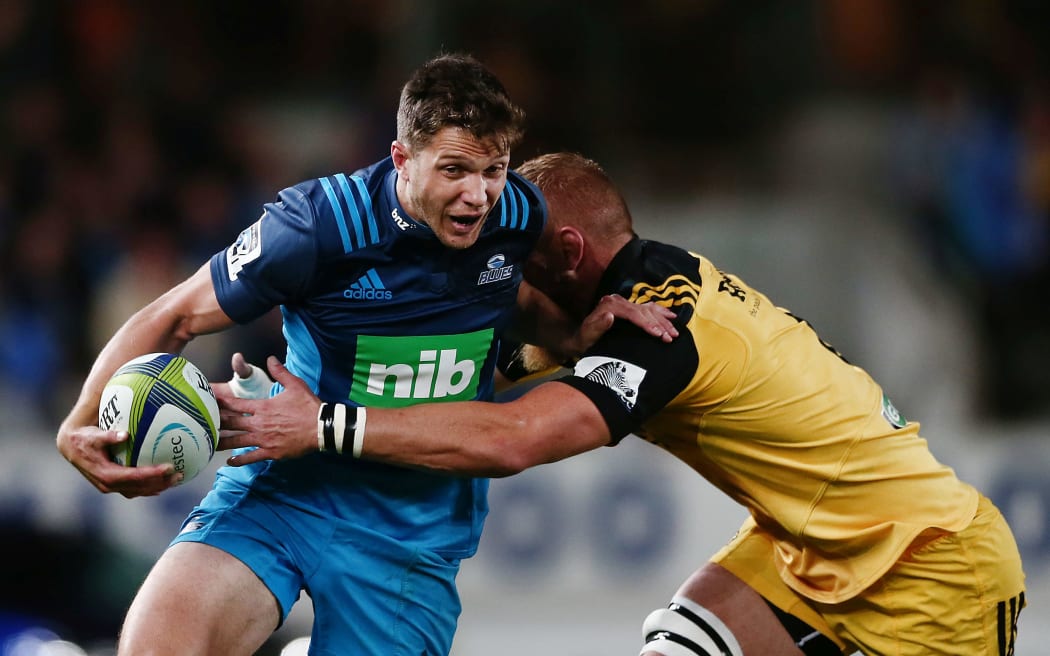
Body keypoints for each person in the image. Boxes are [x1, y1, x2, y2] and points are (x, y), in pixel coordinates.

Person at [217, 152, 1027, 656]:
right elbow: (471, 374)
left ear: (567, 254)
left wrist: (324, 425)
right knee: (681, 646)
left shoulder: (658, 326)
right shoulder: (612, 306)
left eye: (515, 256)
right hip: (806, 546)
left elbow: (512, 441)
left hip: (931, 561)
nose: (497, 275)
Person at [55, 56, 676, 656]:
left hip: (412, 533)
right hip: (288, 492)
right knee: (158, 646)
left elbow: (507, 293)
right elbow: (175, 315)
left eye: (494, 170)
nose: (478, 195)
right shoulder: (317, 228)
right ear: (402, 158)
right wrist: (80, 421)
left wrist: (570, 334)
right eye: (455, 170)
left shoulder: (517, 214)